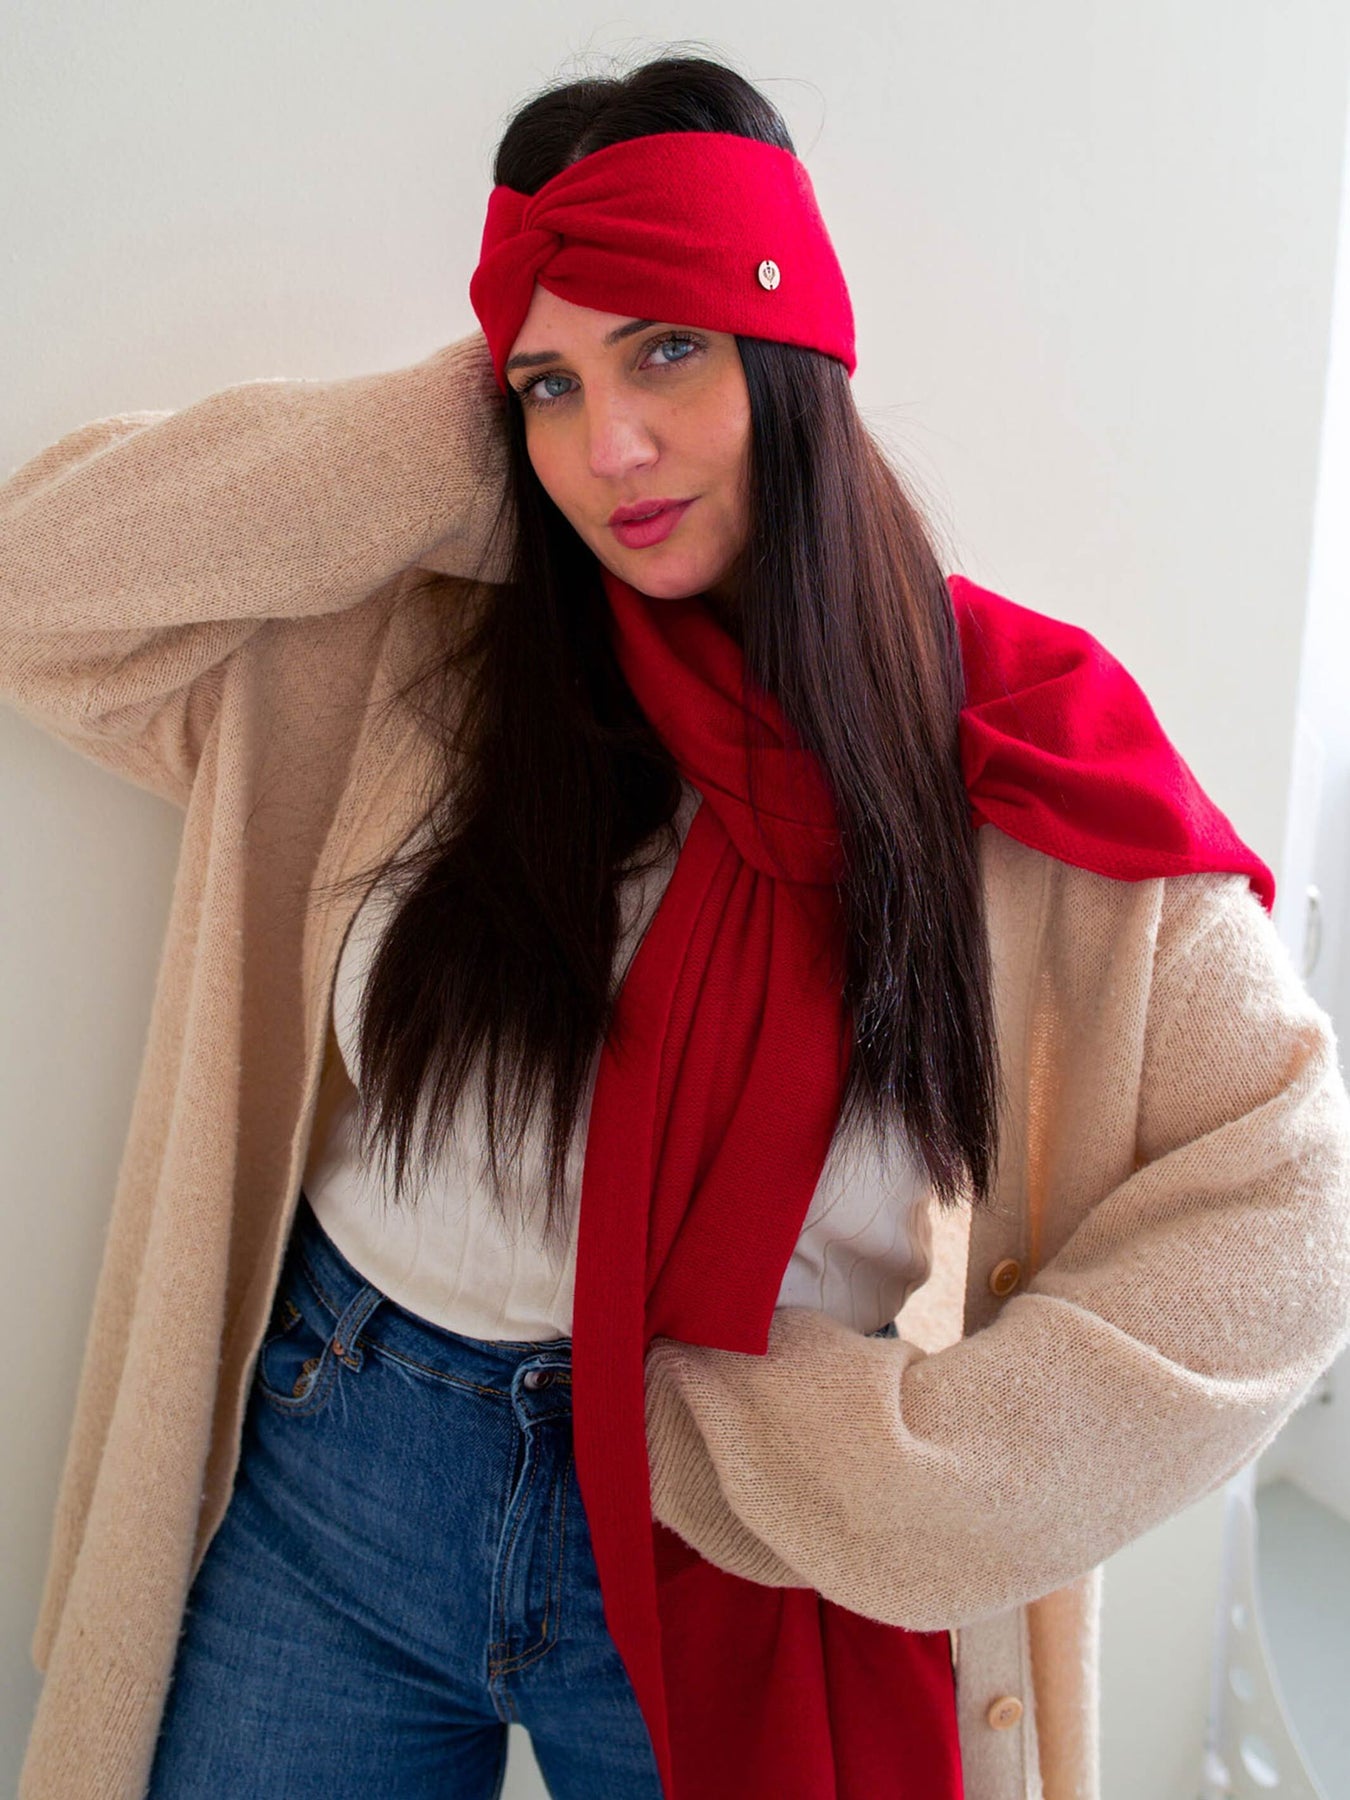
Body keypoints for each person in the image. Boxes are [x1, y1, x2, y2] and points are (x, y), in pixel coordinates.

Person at [4, 48, 1349, 1800]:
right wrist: (466, 436)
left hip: (734, 1534)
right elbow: (41, 592)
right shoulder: (421, 659)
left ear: (789, 349)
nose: (610, 449)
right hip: (339, 1470)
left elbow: (1291, 1207)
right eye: (549, 386)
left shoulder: (1005, 750)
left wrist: (900, 1474)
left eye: (665, 350)